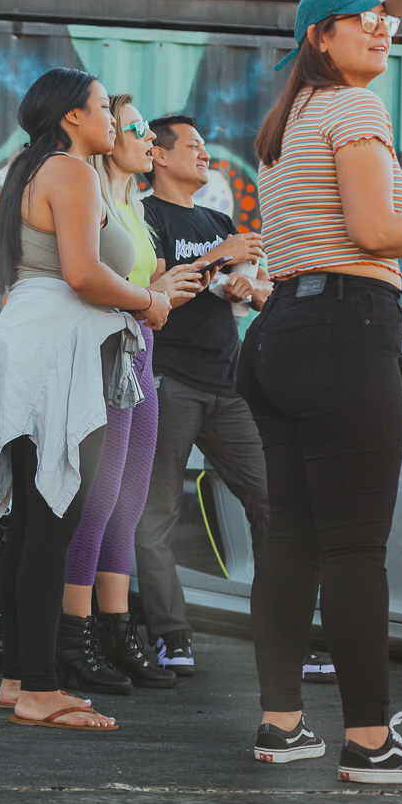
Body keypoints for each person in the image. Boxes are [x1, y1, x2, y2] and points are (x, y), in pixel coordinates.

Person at [243, 0, 402, 781]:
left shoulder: (287, 122)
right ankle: (370, 742)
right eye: (362, 19)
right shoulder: (354, 107)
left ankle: (280, 725)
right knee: (352, 548)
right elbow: (374, 230)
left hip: (278, 333)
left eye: (387, 21)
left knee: (292, 542)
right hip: (342, 331)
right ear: (318, 36)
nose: (382, 31)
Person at [0, 68, 198, 731]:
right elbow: (84, 273)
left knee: (31, 524)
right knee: (54, 520)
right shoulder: (71, 171)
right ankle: (41, 689)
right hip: (57, 352)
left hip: (31, 344)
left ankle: (18, 678)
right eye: (102, 107)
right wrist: (147, 300)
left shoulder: (31, 170)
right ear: (71, 116)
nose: (113, 120)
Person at [59, 94, 202, 693]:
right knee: (97, 499)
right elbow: (86, 281)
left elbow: (140, 284)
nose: (148, 139)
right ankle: (74, 635)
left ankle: (116, 630)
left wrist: (164, 288)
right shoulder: (90, 198)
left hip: (142, 355)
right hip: (106, 355)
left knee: (129, 503)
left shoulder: (134, 208)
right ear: (108, 136)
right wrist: (150, 295)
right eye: (137, 128)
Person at [133, 114, 274, 678]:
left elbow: (252, 289)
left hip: (228, 385)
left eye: (204, 144)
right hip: (170, 380)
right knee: (156, 514)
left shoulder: (218, 220)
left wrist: (248, 286)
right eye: (191, 144)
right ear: (160, 156)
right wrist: (221, 254)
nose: (204, 152)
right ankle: (170, 634)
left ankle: (281, 631)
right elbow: (156, 291)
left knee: (271, 503)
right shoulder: (146, 215)